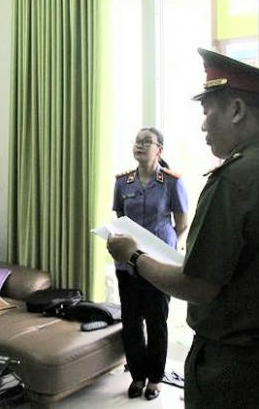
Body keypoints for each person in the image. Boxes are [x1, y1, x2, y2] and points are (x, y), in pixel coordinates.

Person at [107, 48, 259, 408]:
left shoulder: (234, 180)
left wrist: (133, 256)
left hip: (240, 368)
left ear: (236, 110)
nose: (203, 125)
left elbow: (196, 286)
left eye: (207, 111)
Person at [113, 127, 188, 400]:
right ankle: (137, 376)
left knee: (157, 322)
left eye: (147, 142)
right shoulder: (123, 182)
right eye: (137, 141)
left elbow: (182, 223)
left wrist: (163, 247)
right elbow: (119, 217)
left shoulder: (171, 182)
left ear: (159, 149)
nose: (140, 145)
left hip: (159, 266)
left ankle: (155, 379)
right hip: (127, 266)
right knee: (131, 322)